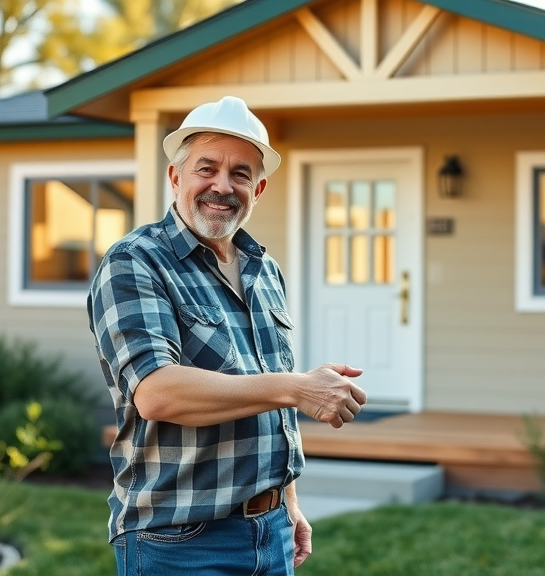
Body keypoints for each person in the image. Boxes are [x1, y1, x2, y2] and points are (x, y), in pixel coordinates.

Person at [87, 95, 368, 576]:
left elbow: (268, 397)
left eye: (240, 174)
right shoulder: (136, 262)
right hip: (179, 542)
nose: (222, 185)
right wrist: (299, 387)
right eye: (207, 168)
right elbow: (157, 393)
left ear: (258, 189)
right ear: (176, 177)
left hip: (271, 531)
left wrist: (287, 502)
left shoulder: (265, 269)